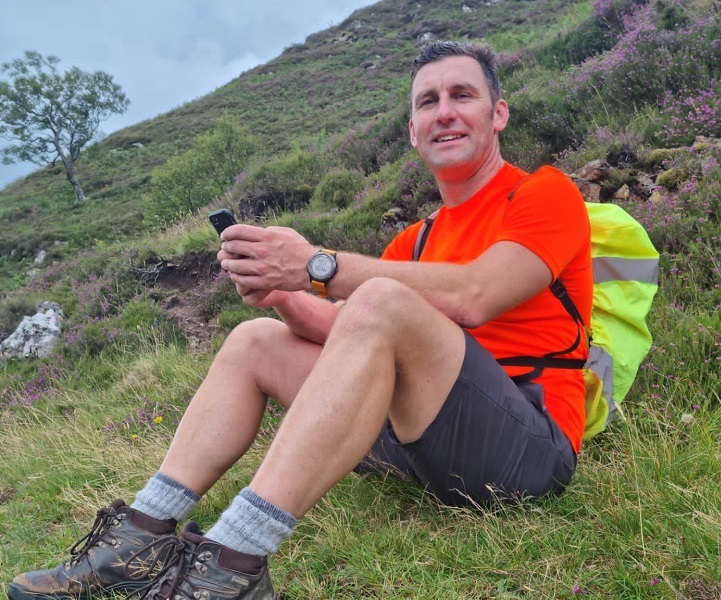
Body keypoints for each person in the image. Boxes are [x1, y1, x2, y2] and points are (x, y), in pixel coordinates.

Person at [8, 40, 592, 600]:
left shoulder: (543, 194)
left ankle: (234, 562)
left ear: (499, 114)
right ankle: (138, 538)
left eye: (462, 95)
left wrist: (313, 264)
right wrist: (280, 289)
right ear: (412, 132)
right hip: (427, 445)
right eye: (427, 102)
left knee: (379, 298)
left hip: (524, 450)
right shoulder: (413, 242)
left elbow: (475, 295)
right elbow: (350, 334)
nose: (444, 112)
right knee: (257, 339)